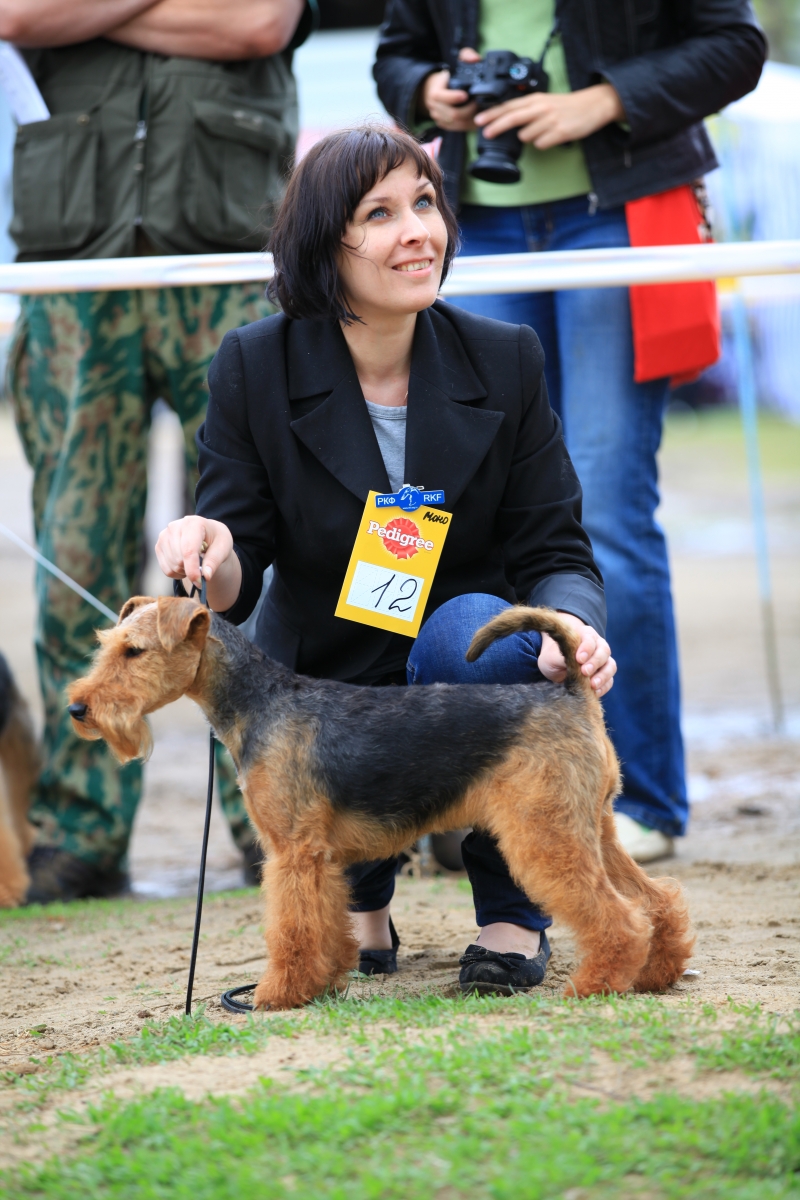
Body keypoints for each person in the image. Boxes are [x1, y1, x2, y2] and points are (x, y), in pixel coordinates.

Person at [156, 124, 616, 995]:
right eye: (380, 213)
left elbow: (555, 545)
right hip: (324, 656)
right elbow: (236, 556)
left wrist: (574, 629)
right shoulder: (253, 364)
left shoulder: (506, 356)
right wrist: (207, 547)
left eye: (426, 204)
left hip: (467, 650)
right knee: (320, 679)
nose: (419, 231)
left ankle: (512, 923)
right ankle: (360, 915)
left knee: (462, 638)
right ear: (325, 245)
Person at [373, 0, 766, 862]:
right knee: (442, 504)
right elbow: (395, 57)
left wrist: (603, 100)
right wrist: (430, 91)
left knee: (605, 508)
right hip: (471, 221)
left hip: (619, 213)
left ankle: (645, 800)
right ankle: (460, 795)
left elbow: (738, 44)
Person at [1, 0, 311, 902]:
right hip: (77, 257)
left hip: (224, 255)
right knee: (75, 551)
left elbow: (258, 22)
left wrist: (85, 16)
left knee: (249, 554)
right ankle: (82, 826)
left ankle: (277, 809)